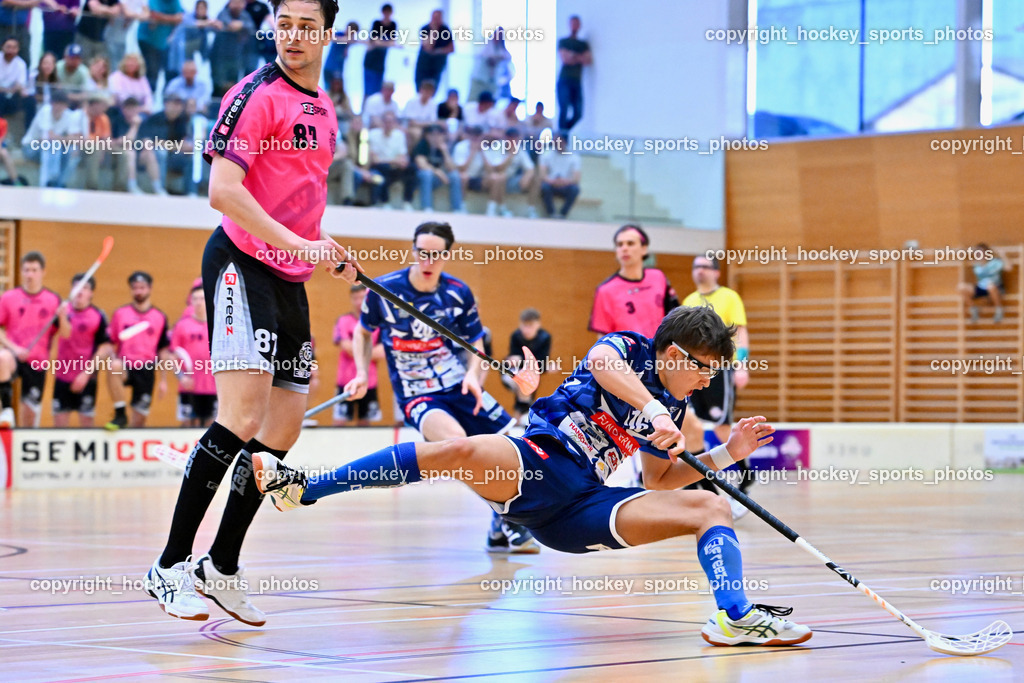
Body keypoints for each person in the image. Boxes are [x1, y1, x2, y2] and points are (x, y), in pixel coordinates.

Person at [253, 305, 813, 648]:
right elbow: (601, 366)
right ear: (672, 353)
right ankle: (302, 487)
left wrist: (726, 454)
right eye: (703, 370)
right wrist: (656, 411)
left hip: (582, 507)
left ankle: (734, 618)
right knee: (460, 449)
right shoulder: (628, 350)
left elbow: (663, 479)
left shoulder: (676, 404)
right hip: (540, 462)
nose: (705, 383)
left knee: (711, 508)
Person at [143, 0, 359, 626]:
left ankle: (222, 565)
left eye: (306, 27)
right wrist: (295, 243)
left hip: (290, 277)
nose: (293, 36)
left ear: (326, 32)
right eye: (284, 24)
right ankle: (169, 563)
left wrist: (326, 245)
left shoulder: (324, 108)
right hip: (242, 265)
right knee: (239, 417)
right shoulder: (256, 94)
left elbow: (299, 199)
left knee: (283, 431)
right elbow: (223, 190)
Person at [346, 221, 538, 554]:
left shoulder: (457, 291)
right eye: (422, 252)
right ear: (413, 249)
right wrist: (362, 372)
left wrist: (472, 375)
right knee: (459, 447)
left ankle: (497, 527)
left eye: (436, 254)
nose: (428, 260)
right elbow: (363, 332)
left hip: (456, 383)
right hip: (416, 392)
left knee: (514, 447)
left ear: (447, 255)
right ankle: (508, 519)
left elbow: (475, 339)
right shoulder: (383, 290)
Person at [590, 224, 679, 485]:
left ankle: (702, 488)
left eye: (630, 243)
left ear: (644, 248)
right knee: (630, 428)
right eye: (619, 244)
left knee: (690, 429)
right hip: (629, 372)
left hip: (664, 369)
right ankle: (634, 483)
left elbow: (676, 321)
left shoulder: (658, 279)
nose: (624, 249)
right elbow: (602, 341)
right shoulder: (606, 291)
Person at [682, 254, 751, 518]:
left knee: (722, 425)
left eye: (705, 267)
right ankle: (695, 482)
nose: (700, 271)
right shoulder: (689, 301)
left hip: (720, 370)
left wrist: (742, 364)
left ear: (716, 272)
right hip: (693, 370)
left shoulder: (729, 297)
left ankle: (744, 473)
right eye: (696, 266)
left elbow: (740, 333)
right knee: (689, 423)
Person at [104, 271, 173, 429]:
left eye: (142, 288)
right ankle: (120, 413)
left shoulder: (159, 317)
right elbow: (110, 342)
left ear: (149, 289)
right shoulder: (120, 314)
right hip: (125, 365)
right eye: (135, 288)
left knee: (139, 422)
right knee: (114, 366)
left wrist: (163, 380)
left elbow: (163, 351)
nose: (138, 291)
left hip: (146, 369)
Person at [0, 251, 61, 428]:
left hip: (37, 362)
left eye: (34, 270)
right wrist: (15, 348)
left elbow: (64, 333)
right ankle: (7, 411)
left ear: (43, 272)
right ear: (21, 271)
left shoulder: (53, 300)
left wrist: (63, 316)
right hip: (14, 355)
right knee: (2, 358)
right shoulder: (9, 298)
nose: (30, 275)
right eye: (26, 270)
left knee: (29, 417)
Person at [53, 273, 111, 427]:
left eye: (84, 288)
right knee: (59, 424)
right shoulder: (63, 312)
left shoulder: (98, 316)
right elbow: (65, 334)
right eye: (77, 287)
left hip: (86, 379)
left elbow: (104, 348)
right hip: (63, 376)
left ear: (91, 293)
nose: (80, 291)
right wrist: (62, 317)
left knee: (86, 424)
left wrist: (85, 375)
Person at [332, 284, 383, 426]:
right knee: (339, 422)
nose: (359, 302)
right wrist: (369, 351)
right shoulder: (343, 321)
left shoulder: (377, 324)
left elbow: (382, 351)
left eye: (362, 298)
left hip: (369, 381)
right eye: (355, 298)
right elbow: (346, 347)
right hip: (345, 381)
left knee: (365, 424)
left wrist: (359, 350)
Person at [21, 88, 86, 187]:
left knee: (72, 150)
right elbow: (48, 138)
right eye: (56, 103)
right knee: (53, 145)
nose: (58, 107)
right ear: (51, 103)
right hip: (31, 148)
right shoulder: (45, 111)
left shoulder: (69, 115)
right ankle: (49, 181)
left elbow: (76, 139)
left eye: (61, 104)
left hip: (54, 149)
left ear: (66, 105)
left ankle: (61, 183)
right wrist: (65, 139)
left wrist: (64, 139)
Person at [171, 282, 216, 427]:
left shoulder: (217, 325)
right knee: (188, 425)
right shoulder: (182, 326)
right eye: (195, 299)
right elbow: (173, 356)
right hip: (189, 387)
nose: (198, 302)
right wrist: (181, 377)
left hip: (214, 387)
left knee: (213, 427)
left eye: (202, 298)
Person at [502, 307, 550, 423]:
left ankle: (521, 415)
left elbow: (541, 363)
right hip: (512, 372)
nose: (526, 329)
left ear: (538, 324)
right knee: (522, 382)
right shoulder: (516, 336)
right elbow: (513, 359)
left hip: (531, 373)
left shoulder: (545, 338)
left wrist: (544, 367)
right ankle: (522, 413)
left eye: (531, 325)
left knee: (526, 386)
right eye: (524, 325)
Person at [412, 122, 462, 211]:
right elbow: (421, 164)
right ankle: (427, 207)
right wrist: (438, 172)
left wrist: (445, 152)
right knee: (426, 174)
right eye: (433, 135)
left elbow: (451, 168)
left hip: (437, 179)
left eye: (439, 135)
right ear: (427, 136)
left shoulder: (444, 147)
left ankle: (457, 208)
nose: (436, 138)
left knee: (455, 175)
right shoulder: (422, 145)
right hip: (420, 178)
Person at [137, 0, 184, 93]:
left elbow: (180, 17)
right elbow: (155, 15)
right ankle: (150, 97)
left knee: (167, 71)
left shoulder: (175, 2)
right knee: (152, 72)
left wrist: (163, 18)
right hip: (148, 40)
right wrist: (172, 19)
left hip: (162, 43)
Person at [556, 15, 590, 131]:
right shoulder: (564, 41)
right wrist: (579, 57)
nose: (575, 26)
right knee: (564, 109)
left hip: (576, 81)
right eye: (573, 23)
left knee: (578, 113)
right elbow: (565, 59)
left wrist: (572, 55)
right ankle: (561, 138)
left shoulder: (583, 44)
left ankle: (563, 135)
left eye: (577, 23)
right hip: (564, 80)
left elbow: (587, 60)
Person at [959, 243, 1008, 324]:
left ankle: (999, 310)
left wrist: (1003, 255)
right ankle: (974, 309)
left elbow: (1009, 267)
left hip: (996, 287)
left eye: (981, 252)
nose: (979, 255)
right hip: (982, 288)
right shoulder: (977, 265)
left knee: (990, 285)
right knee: (961, 287)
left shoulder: (994, 262)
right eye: (977, 253)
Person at [539, 131, 580, 219]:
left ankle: (562, 214)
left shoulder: (574, 157)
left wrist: (564, 182)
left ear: (565, 142)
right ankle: (551, 213)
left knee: (575, 189)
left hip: (566, 185)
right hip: (551, 183)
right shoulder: (546, 154)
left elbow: (576, 178)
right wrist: (552, 181)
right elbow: (542, 174)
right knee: (544, 187)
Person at [469, 27, 512, 101]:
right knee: (473, 100)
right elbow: (482, 55)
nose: (498, 37)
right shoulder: (486, 44)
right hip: (479, 80)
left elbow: (508, 58)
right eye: (497, 34)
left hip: (492, 82)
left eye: (500, 35)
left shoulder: (502, 49)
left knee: (491, 103)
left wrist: (499, 58)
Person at [363, 3, 396, 99]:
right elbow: (375, 41)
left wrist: (382, 42)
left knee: (378, 89)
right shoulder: (377, 23)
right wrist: (385, 43)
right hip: (371, 60)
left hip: (381, 61)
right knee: (368, 89)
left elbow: (391, 41)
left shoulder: (393, 24)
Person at [414, 9, 452, 91]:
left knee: (433, 88)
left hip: (437, 66)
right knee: (420, 87)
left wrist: (439, 51)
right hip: (424, 65)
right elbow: (428, 47)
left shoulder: (445, 30)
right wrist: (434, 31)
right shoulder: (425, 29)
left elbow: (451, 48)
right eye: (435, 18)